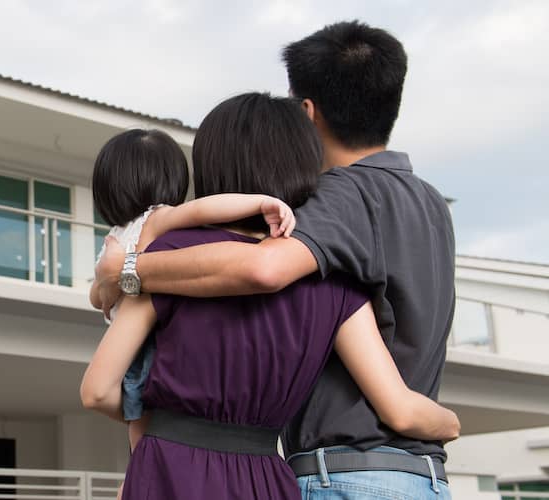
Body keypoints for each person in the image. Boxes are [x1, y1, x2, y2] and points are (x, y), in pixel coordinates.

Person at [94, 21, 457, 498]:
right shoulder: (429, 204)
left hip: (343, 472)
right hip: (421, 475)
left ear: (307, 112)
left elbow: (261, 268)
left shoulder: (342, 194)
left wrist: (126, 270)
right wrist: (448, 419)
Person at [88, 127, 298, 480]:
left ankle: (145, 478)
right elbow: (204, 210)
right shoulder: (138, 227)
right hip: (144, 340)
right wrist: (259, 202)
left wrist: (111, 285)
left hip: (136, 341)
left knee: (143, 432)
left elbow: (99, 297)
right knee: (148, 428)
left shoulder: (133, 229)